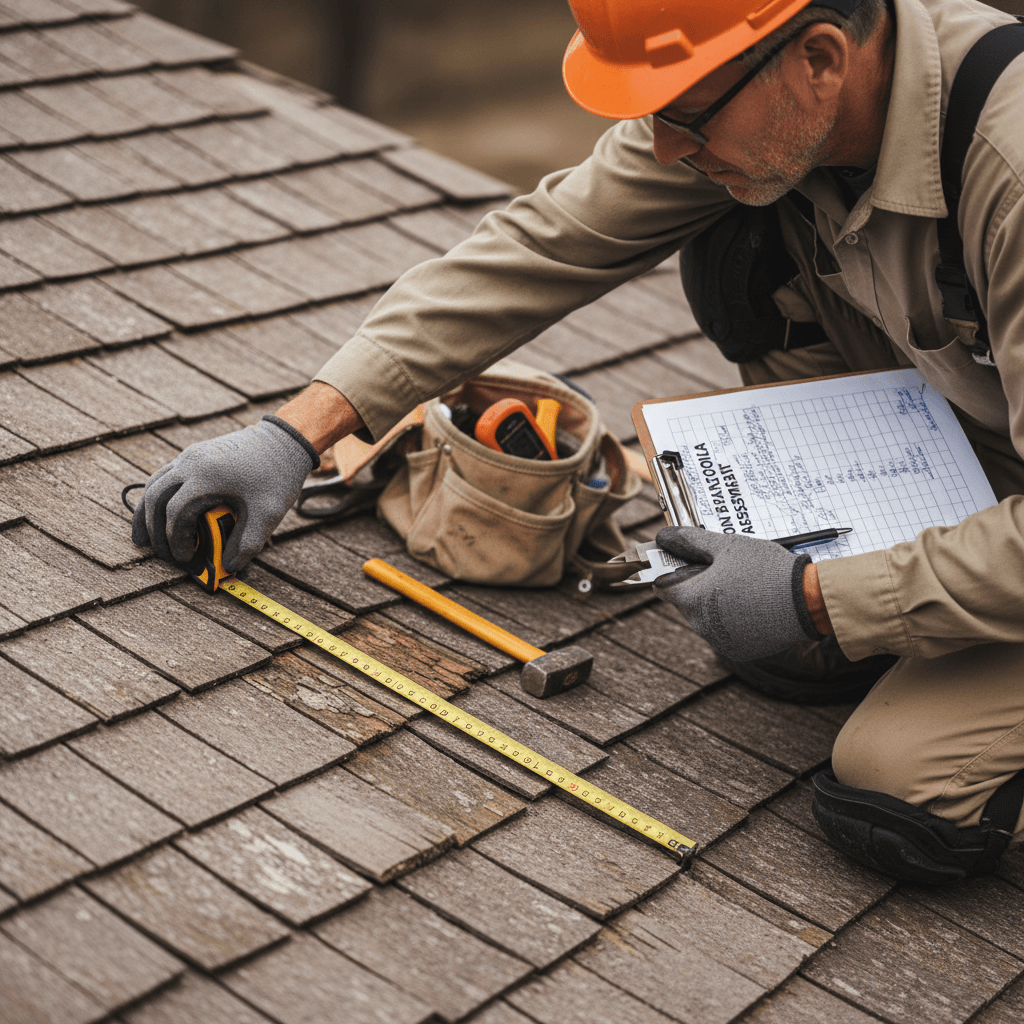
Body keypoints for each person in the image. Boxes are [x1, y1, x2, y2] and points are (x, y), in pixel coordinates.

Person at [132, 0, 1024, 883]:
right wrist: (297, 433)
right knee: (741, 230)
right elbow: (542, 246)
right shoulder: (760, 99)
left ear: (820, 58)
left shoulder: (1009, 173)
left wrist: (822, 594)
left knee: (896, 795)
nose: (665, 148)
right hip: (973, 438)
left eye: (685, 116)